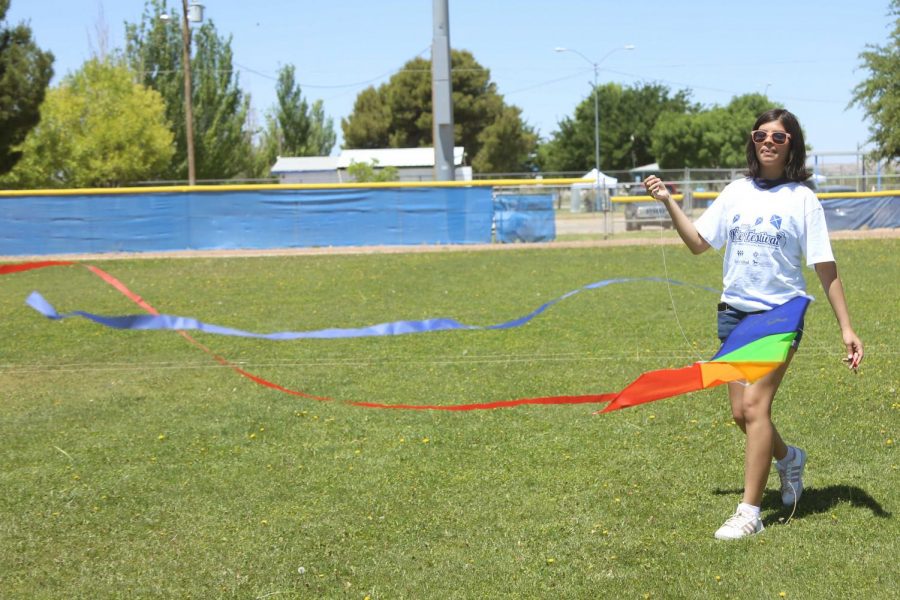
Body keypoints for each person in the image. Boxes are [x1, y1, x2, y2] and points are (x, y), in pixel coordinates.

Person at [643, 108, 864, 540]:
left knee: (756, 408)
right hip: (734, 314)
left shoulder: (802, 199)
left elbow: (825, 266)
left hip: (780, 316)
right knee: (741, 416)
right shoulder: (735, 192)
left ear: (791, 146)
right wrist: (669, 202)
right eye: (761, 134)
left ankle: (750, 512)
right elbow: (697, 244)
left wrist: (847, 327)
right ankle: (789, 458)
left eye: (778, 137)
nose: (767, 141)